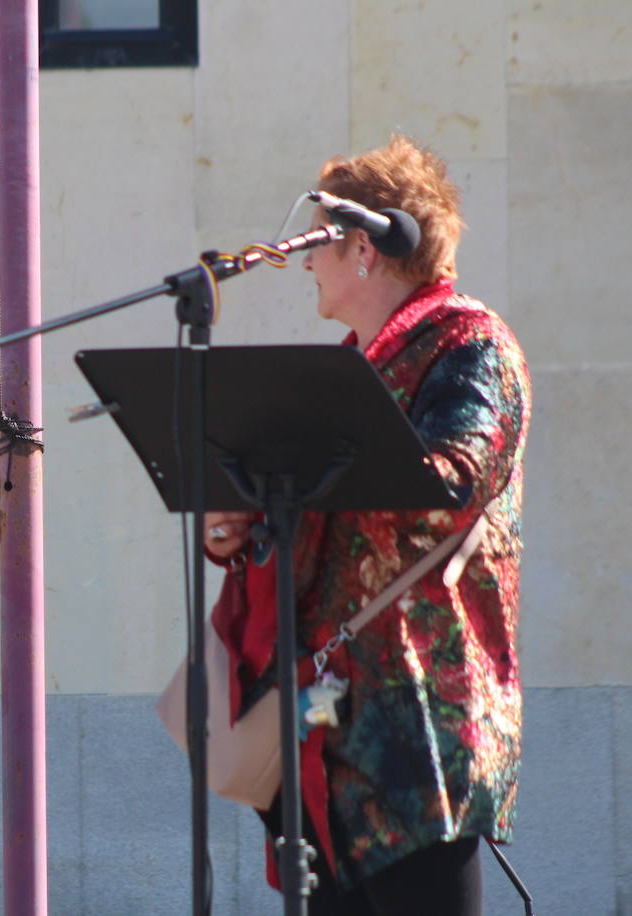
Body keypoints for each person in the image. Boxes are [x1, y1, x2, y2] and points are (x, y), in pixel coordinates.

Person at [203, 135, 530, 915]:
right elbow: (335, 534)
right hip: (329, 727)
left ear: (362, 250)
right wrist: (246, 527)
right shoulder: (357, 366)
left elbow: (453, 480)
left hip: (417, 723)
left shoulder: (469, 341)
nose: (302, 262)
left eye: (317, 243)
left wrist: (305, 471)